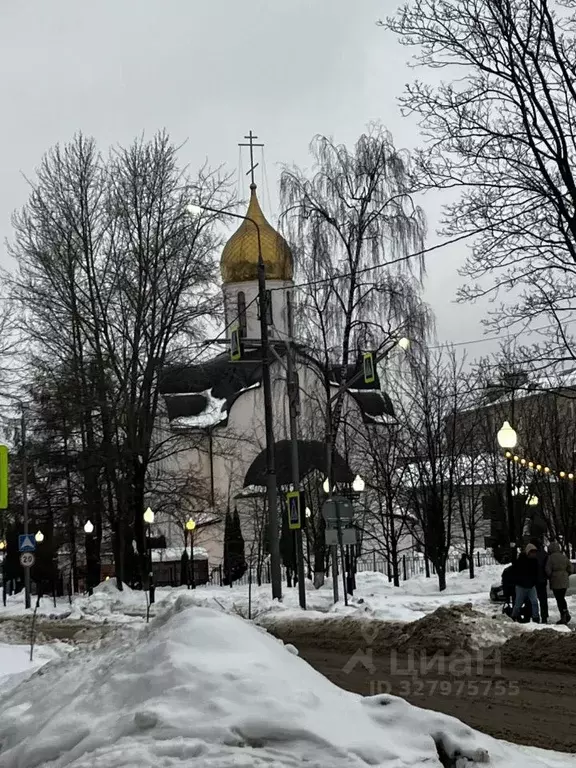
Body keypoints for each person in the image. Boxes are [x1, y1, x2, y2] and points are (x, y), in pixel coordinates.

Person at [511, 543, 540, 622]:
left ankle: (535, 617)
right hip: (521, 586)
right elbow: (516, 570)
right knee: (518, 603)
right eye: (532, 552)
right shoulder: (521, 560)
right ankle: (514, 616)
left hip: (530, 585)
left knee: (534, 602)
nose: (534, 554)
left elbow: (536, 573)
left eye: (534, 552)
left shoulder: (534, 561)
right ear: (528, 552)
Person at [545, 541, 572, 624]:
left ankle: (564, 615)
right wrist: (566, 574)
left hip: (555, 580)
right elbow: (570, 568)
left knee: (559, 598)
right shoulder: (564, 557)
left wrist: (550, 576)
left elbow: (547, 570)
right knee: (562, 597)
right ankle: (565, 613)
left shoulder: (550, 558)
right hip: (564, 579)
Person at [530, 537, 549, 624]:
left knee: (532, 599)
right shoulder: (544, 554)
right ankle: (544, 616)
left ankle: (534, 616)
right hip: (542, 580)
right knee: (543, 599)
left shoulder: (532, 554)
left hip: (533, 580)